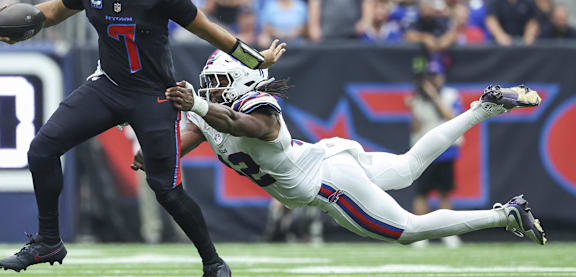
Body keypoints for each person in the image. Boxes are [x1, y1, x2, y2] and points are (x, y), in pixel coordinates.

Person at [0, 0, 285, 277]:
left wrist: (253, 59)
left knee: (167, 189)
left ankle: (213, 262)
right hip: (108, 85)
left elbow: (206, 28)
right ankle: (49, 240)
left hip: (154, 95)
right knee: (42, 150)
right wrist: (16, 24)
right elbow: (53, 11)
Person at [133, 51, 547, 253]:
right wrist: (153, 153)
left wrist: (200, 106)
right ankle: (483, 108)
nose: (209, 89)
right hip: (326, 157)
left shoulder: (260, 112)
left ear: (238, 87)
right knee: (406, 168)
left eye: (218, 83)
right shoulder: (211, 111)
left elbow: (241, 125)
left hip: (325, 181)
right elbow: (183, 141)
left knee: (408, 230)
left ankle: (503, 215)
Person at [408, 56, 463, 248]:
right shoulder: (419, 98)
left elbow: (451, 116)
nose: (433, 79)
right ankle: (419, 235)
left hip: (446, 150)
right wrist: (413, 106)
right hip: (425, 152)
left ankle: (447, 233)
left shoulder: (451, 95)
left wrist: (433, 97)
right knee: (422, 194)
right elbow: (414, 128)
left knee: (444, 193)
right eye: (430, 76)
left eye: (435, 75)